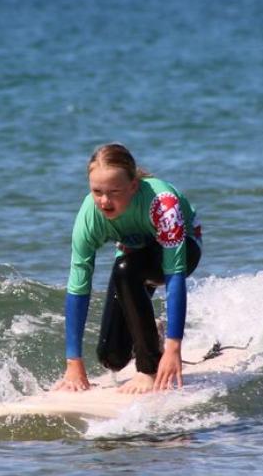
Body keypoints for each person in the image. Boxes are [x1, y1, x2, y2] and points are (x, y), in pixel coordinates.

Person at [52, 143, 203, 395]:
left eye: (114, 191)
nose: (104, 201)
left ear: (133, 186)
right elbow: (78, 286)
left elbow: (174, 275)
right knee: (111, 357)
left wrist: (174, 347)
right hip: (134, 257)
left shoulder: (162, 204)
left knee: (125, 270)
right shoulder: (89, 216)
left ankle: (148, 368)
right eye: (96, 191)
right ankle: (151, 333)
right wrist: (74, 364)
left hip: (184, 248)